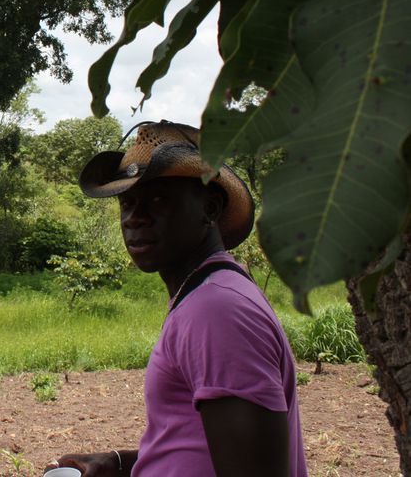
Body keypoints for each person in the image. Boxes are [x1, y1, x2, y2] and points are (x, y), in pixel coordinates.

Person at [44, 121, 306, 477]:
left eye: (158, 199)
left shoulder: (217, 310)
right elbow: (203, 450)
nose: (135, 218)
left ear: (211, 209)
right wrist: (122, 463)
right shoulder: (205, 294)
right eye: (128, 202)